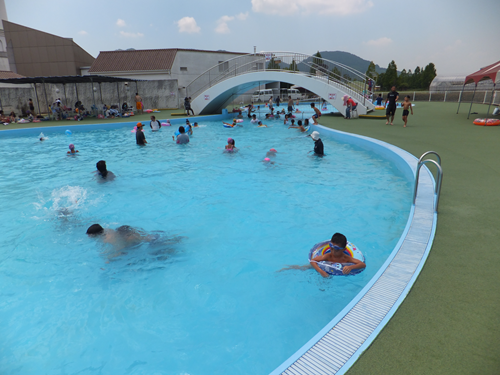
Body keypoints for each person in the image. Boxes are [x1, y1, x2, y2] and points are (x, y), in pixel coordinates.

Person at [279, 233, 366, 277]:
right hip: (324, 266)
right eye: (331, 247)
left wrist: (350, 267)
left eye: (336, 249)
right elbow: (313, 261)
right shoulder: (328, 256)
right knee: (304, 267)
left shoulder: (346, 258)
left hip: (336, 270)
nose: (333, 251)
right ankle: (288, 268)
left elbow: (362, 264)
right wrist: (321, 271)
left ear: (344, 249)